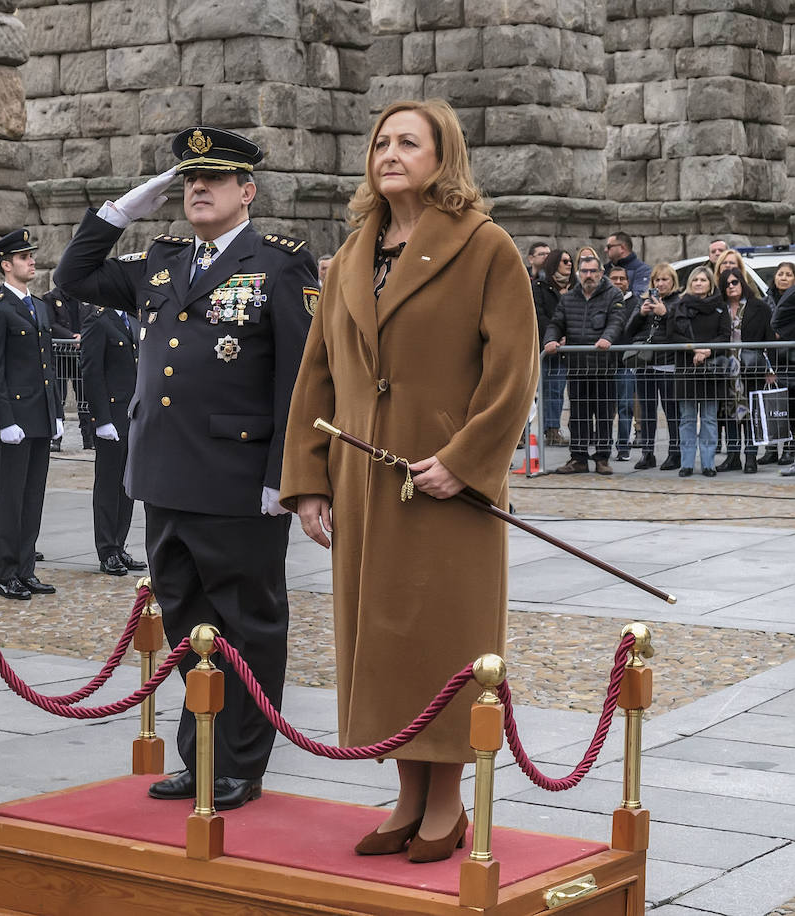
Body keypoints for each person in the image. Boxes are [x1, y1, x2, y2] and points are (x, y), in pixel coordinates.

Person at [280, 99, 537, 862]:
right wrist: (310, 480)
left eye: (408, 142)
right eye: (382, 141)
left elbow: (513, 372)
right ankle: (407, 792)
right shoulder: (353, 251)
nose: (390, 152)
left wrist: (464, 462)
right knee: (381, 644)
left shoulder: (486, 247)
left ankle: (446, 801)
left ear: (443, 155)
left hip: (445, 491)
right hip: (366, 487)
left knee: (444, 643)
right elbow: (316, 375)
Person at [56, 125, 317, 811]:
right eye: (189, 180)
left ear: (247, 191)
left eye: (215, 179)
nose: (198, 188)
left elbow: (298, 375)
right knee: (187, 628)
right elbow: (73, 278)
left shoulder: (280, 263)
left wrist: (284, 475)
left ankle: (243, 766)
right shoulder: (165, 259)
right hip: (164, 474)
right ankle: (200, 756)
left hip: (238, 482)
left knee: (248, 628)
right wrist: (118, 214)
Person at [0, 229, 62, 601]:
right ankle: (5, 573)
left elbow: (48, 366)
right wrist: (2, 420)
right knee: (9, 498)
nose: (32, 261)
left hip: (40, 415)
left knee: (33, 496)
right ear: (6, 264)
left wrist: (56, 410)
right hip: (15, 418)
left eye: (32, 255)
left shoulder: (40, 307)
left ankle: (26, 568)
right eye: (24, 257)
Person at [544, 254, 628, 474]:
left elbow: (617, 320)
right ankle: (578, 458)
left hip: (603, 367)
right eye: (584, 271)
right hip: (578, 366)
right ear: (579, 274)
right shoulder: (569, 298)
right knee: (578, 415)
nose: (588, 275)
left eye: (593, 271)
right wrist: (550, 340)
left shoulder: (613, 295)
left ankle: (602, 458)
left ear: (601, 273)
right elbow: (556, 323)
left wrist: (607, 338)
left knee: (603, 414)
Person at [78, 302, 143, 575]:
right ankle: (106, 549)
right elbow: (92, 372)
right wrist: (101, 419)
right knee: (108, 485)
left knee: (127, 486)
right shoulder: (98, 321)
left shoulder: (132, 320)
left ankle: (119, 543)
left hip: (132, 415)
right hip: (111, 417)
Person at [715, 267, 775, 473]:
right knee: (729, 414)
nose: (731, 286)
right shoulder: (719, 308)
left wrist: (770, 368)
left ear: (742, 283)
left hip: (750, 368)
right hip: (726, 369)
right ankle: (733, 456)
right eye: (727, 284)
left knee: (750, 414)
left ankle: (750, 457)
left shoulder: (759, 307)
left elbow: (769, 340)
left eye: (735, 282)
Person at [671, 266, 729, 478]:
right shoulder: (680, 306)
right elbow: (673, 335)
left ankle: (708, 464)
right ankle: (686, 463)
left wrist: (706, 351)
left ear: (710, 284)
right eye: (695, 280)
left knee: (709, 419)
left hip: (711, 369)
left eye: (703, 280)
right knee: (686, 418)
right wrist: (694, 348)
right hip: (687, 369)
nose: (698, 283)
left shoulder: (720, 307)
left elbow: (725, 336)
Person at [624, 263, 681, 471]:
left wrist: (665, 313)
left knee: (672, 411)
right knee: (646, 412)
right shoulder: (644, 300)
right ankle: (648, 453)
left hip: (667, 363)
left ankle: (675, 453)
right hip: (644, 363)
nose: (661, 283)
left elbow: (680, 331)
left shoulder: (678, 303)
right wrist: (641, 313)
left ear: (673, 282)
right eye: (657, 280)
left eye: (665, 279)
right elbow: (628, 331)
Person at [45, 286, 94, 450]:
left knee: (85, 397)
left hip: (80, 354)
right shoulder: (51, 298)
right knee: (58, 396)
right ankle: (56, 439)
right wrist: (71, 337)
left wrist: (83, 336)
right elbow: (50, 324)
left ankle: (88, 439)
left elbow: (93, 319)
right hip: (60, 354)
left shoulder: (85, 295)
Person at [534, 249, 573, 447]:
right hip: (547, 346)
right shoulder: (540, 287)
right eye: (564, 261)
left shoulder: (575, 287)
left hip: (569, 348)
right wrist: (554, 337)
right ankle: (537, 431)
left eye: (570, 261)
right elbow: (540, 317)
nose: (569, 264)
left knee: (558, 390)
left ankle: (554, 429)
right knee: (543, 390)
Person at [608, 266, 638, 461]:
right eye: (614, 278)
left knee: (625, 406)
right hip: (604, 363)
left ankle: (623, 446)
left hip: (625, 363)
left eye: (622, 278)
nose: (618, 282)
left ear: (628, 281)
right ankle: (603, 445)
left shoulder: (636, 302)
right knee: (604, 407)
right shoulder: (603, 300)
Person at [767, 261, 795, 468]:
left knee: (791, 407)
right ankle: (771, 449)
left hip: (791, 360)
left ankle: (790, 448)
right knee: (773, 407)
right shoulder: (765, 300)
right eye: (780, 274)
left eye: (788, 274)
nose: (783, 277)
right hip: (772, 360)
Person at [604, 231, 651, 299]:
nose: (605, 250)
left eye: (609, 247)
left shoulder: (643, 270)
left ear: (622, 248)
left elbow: (640, 297)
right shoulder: (604, 269)